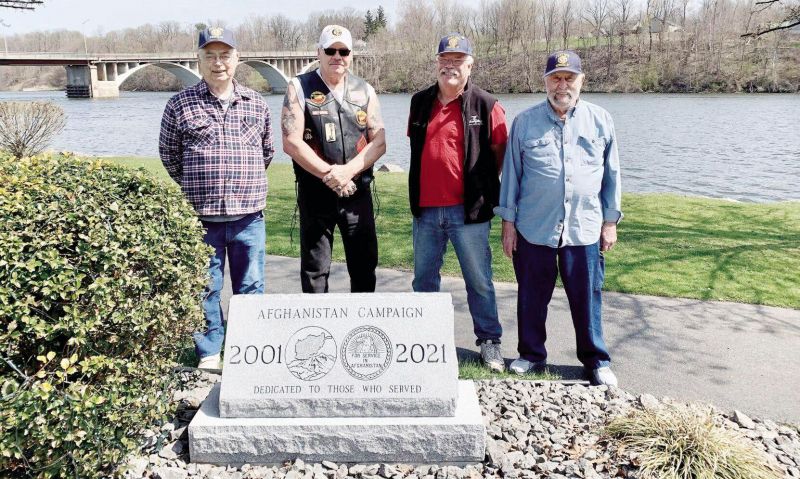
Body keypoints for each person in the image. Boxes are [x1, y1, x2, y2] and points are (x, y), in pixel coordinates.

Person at [495, 50, 622, 386]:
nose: (562, 85)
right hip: (534, 228)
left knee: (587, 296)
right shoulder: (525, 122)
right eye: (555, 78)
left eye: (569, 78)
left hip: (584, 229)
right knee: (531, 297)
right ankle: (531, 354)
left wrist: (610, 222)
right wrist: (508, 224)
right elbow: (511, 178)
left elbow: (612, 176)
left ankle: (595, 360)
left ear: (581, 82)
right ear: (545, 82)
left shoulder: (601, 120)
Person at [159, 27, 273, 370]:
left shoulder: (256, 103)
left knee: (250, 288)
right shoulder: (179, 104)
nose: (218, 63)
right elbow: (169, 155)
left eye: (225, 55)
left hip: (248, 217)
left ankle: (247, 352)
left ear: (237, 59)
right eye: (210, 56)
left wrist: (242, 182)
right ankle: (209, 352)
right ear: (199, 60)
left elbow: (266, 152)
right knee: (204, 289)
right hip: (201, 218)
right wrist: (199, 185)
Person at [407, 33, 508, 372]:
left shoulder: (487, 105)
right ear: (437, 63)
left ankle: (490, 342)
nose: (449, 65)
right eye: (444, 59)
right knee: (424, 280)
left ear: (470, 64)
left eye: (457, 59)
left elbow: (500, 155)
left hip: (470, 213)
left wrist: (482, 191)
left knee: (478, 280)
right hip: (426, 211)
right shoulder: (419, 102)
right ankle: (424, 341)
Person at [281, 25, 386, 293]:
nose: (337, 56)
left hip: (357, 194)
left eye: (343, 51)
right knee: (315, 271)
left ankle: (362, 331)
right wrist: (330, 175)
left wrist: (347, 172)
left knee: (364, 268)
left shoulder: (366, 91)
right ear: (319, 52)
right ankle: (319, 330)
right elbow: (291, 142)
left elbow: (379, 142)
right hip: (315, 193)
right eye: (330, 50)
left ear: (351, 55)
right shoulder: (299, 87)